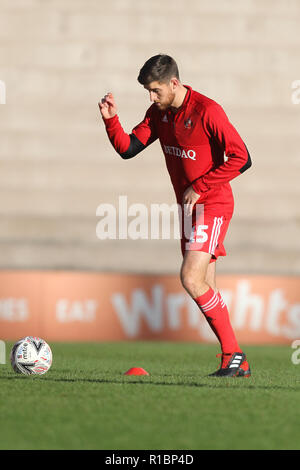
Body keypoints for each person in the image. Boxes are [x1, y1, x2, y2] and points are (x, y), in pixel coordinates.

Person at [98, 54, 252, 377]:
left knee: (190, 278)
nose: (151, 98)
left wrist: (202, 185)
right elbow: (128, 148)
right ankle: (234, 358)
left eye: (155, 91)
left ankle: (234, 355)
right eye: (148, 93)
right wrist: (111, 120)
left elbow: (242, 157)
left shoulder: (207, 111)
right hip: (188, 211)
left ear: (174, 83)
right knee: (205, 284)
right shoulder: (158, 115)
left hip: (213, 203)